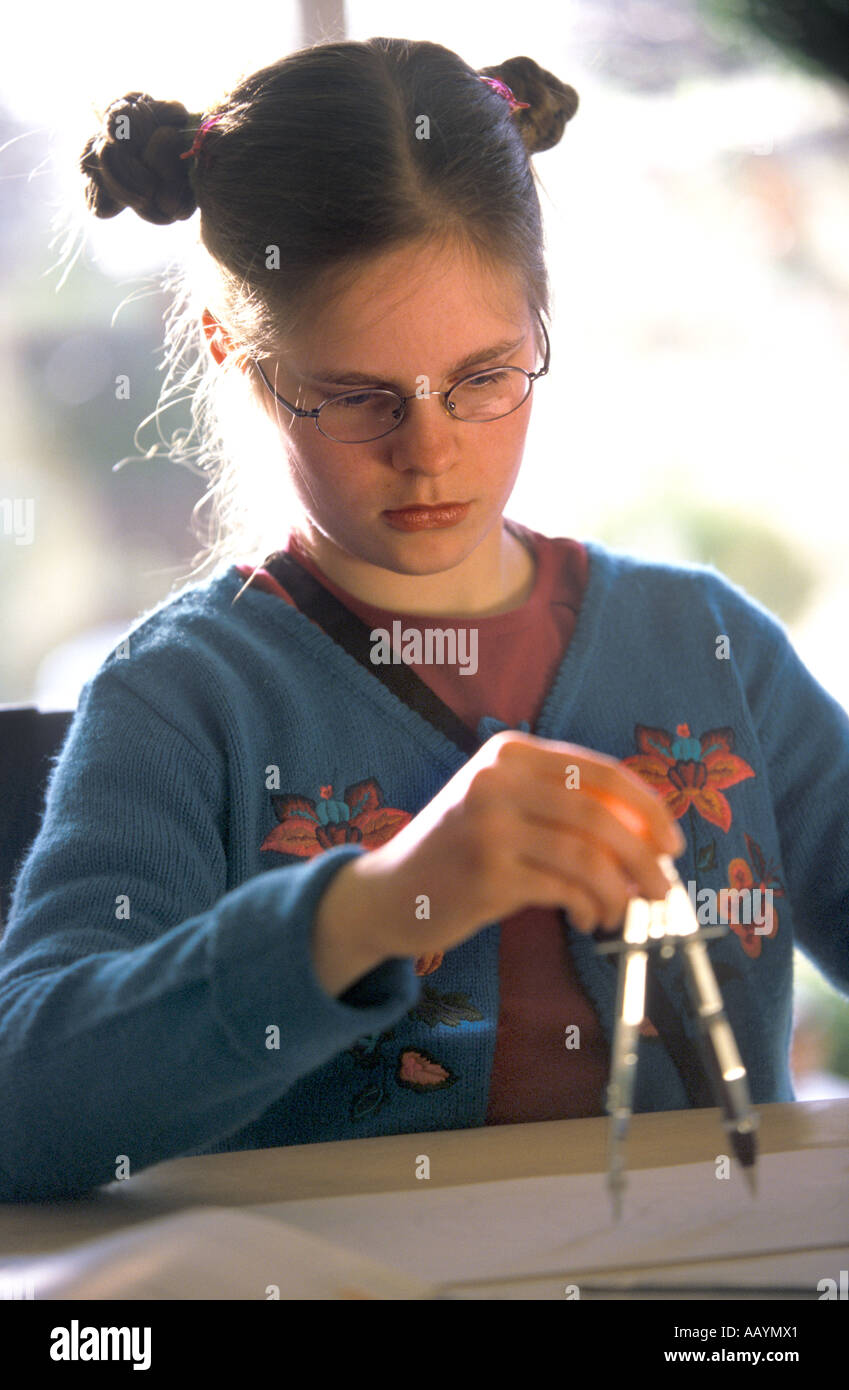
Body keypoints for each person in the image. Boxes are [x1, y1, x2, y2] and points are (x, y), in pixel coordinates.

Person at [1, 38, 846, 1204]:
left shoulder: (710, 648)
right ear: (236, 361)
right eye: (357, 397)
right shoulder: (186, 700)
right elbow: (27, 1108)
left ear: (539, 320)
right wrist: (375, 903)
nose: (432, 448)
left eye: (486, 376)